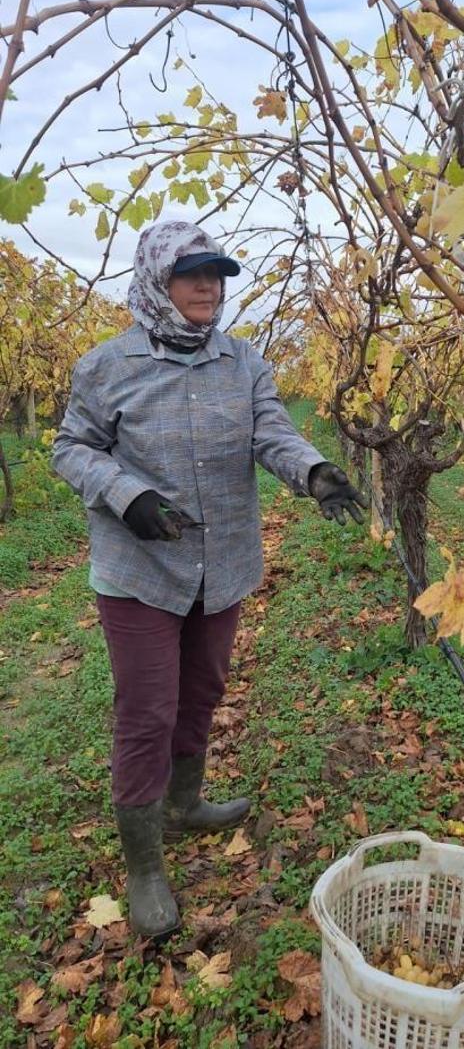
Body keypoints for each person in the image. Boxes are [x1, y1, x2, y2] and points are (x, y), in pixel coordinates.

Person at [52, 219, 365, 939]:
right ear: (156, 281)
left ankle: (184, 802)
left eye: (216, 273)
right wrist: (126, 495)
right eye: (191, 273)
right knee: (147, 709)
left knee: (204, 689)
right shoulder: (108, 365)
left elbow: (271, 432)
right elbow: (71, 448)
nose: (207, 286)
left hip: (219, 566)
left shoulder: (243, 362)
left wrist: (313, 471)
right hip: (139, 573)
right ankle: (144, 866)